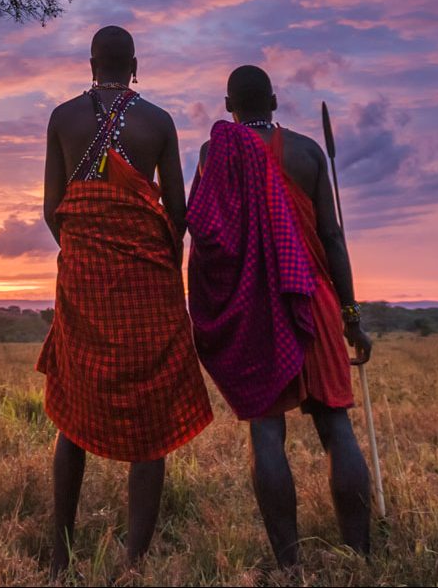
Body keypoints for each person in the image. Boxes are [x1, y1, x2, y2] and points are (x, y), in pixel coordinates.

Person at [185, 65, 375, 572]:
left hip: (256, 308)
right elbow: (333, 239)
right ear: (273, 100)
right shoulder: (309, 153)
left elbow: (206, 236)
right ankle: (359, 556)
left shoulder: (213, 153)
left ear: (228, 106)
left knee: (266, 432)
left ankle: (289, 567)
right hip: (313, 298)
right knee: (337, 427)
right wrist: (352, 316)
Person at [38, 25, 213, 573]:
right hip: (148, 286)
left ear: (91, 64)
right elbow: (179, 212)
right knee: (152, 408)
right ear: (134, 64)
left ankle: (60, 551)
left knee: (73, 410)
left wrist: (90, 253)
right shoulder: (158, 122)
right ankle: (136, 558)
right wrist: (145, 257)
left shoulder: (62, 118)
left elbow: (52, 208)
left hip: (83, 283)